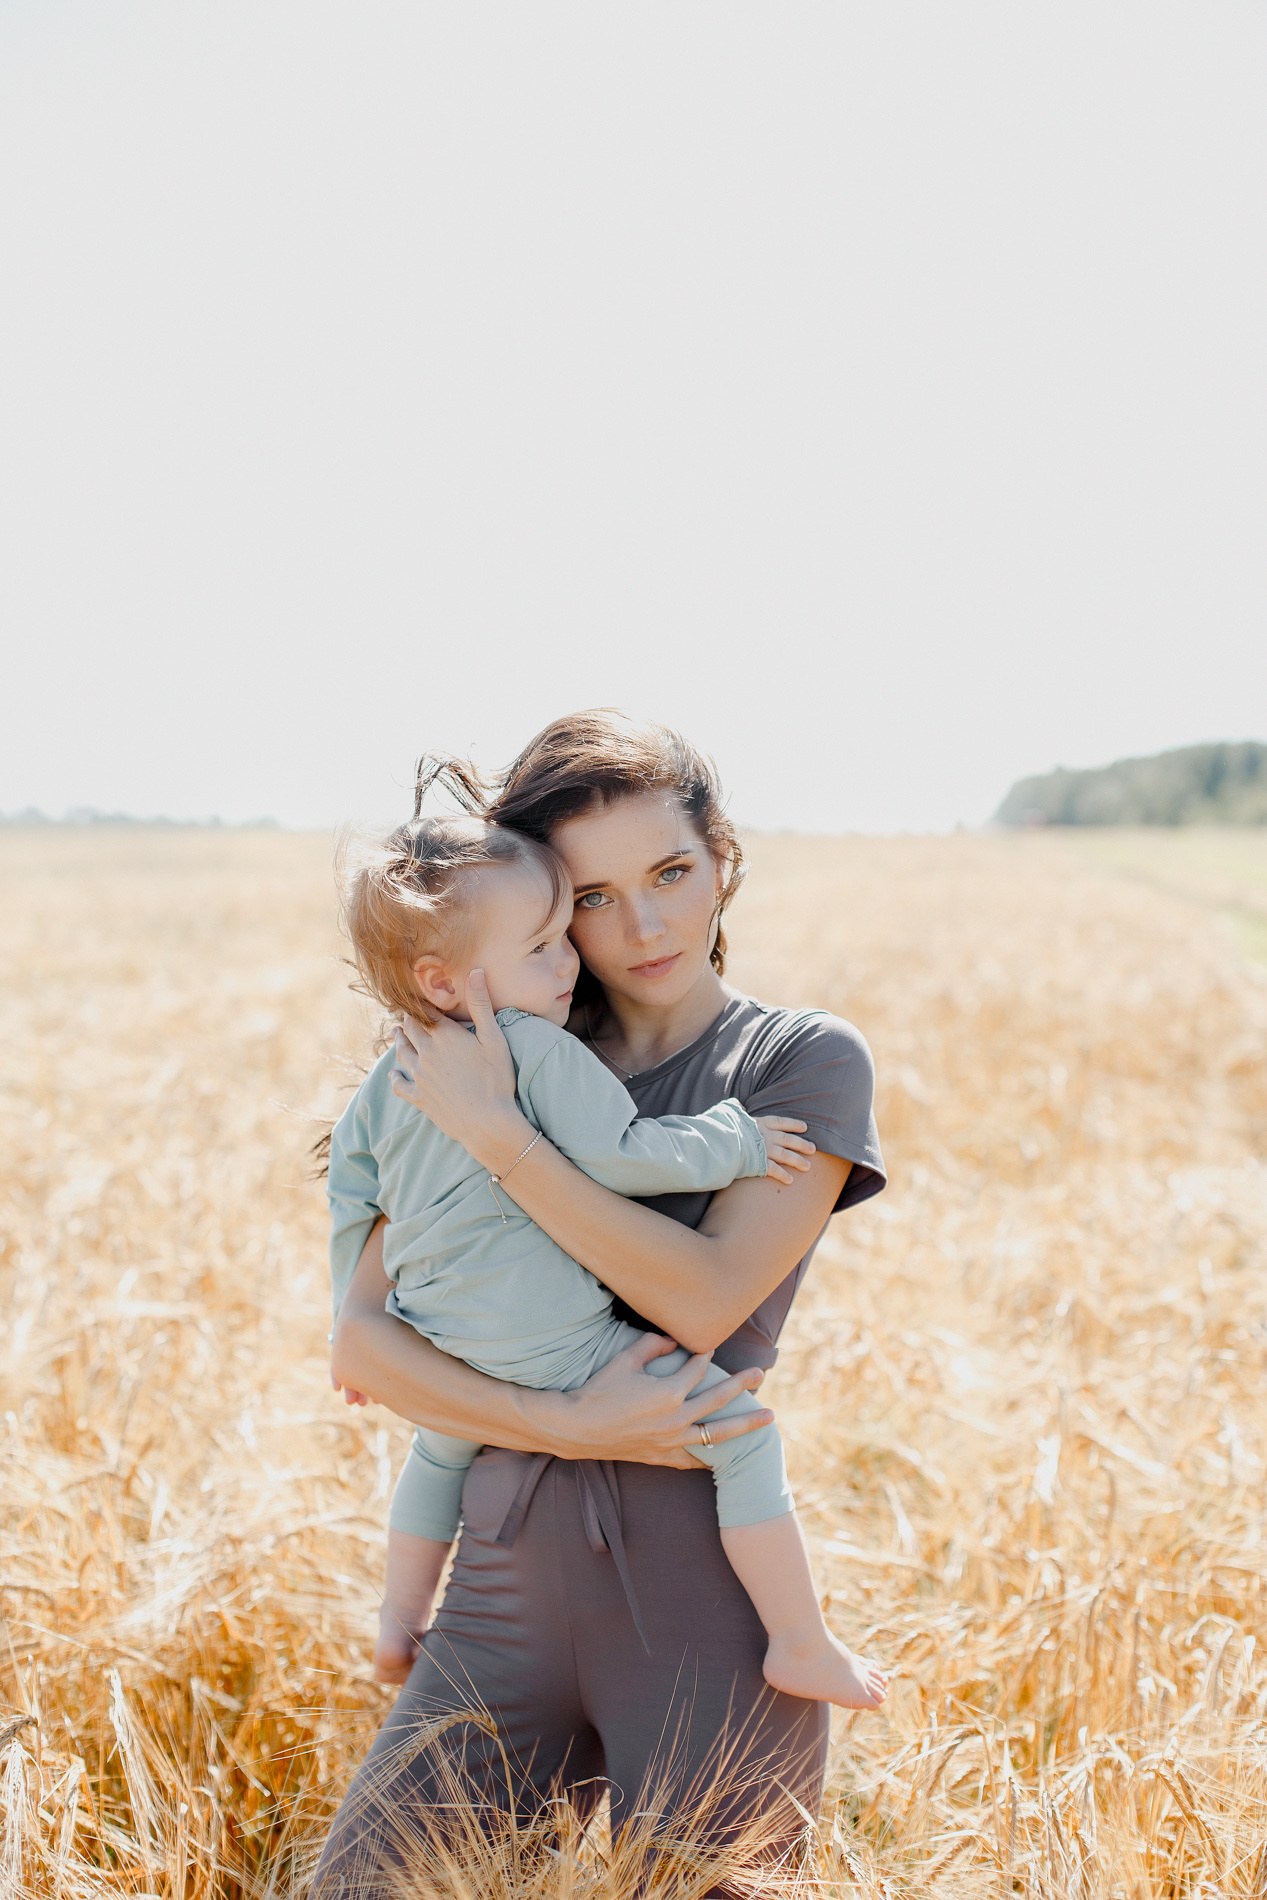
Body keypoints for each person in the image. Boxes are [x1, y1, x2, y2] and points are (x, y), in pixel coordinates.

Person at [313, 711, 886, 1895]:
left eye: (672, 872)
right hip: (496, 1583)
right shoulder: (490, 1034)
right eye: (592, 896)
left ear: (722, 856)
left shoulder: (795, 1064)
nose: (645, 924)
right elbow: (363, 1337)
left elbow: (703, 1300)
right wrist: (567, 1424)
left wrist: (502, 1140)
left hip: (697, 1615)